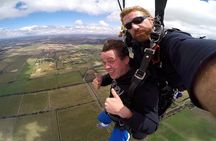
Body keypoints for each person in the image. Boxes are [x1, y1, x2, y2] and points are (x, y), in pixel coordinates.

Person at [93, 39, 159, 140]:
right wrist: (102, 80)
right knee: (101, 118)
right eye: (104, 62)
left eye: (111, 61)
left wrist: (124, 112)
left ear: (126, 60)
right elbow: (111, 77)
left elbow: (152, 126)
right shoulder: (120, 70)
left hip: (126, 121)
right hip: (114, 108)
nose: (106, 67)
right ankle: (106, 122)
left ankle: (125, 133)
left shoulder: (144, 86)